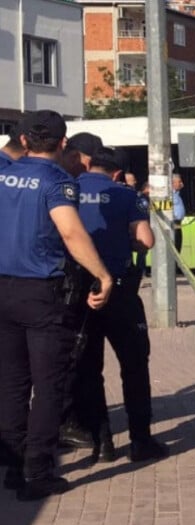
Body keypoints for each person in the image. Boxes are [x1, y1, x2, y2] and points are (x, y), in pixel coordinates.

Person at [0, 110, 113, 501]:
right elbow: (70, 231)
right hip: (41, 294)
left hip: (2, 292)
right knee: (48, 386)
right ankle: (38, 471)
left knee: (12, 384)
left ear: (25, 140)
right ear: (64, 143)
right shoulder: (57, 181)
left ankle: (13, 466)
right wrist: (103, 275)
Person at [70, 145, 168, 464]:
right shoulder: (126, 195)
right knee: (134, 365)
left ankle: (103, 443)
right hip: (120, 289)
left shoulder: (69, 189)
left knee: (89, 368)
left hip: (81, 290)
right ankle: (140, 441)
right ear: (116, 173)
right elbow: (146, 240)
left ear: (89, 166)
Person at [171, 172, 186, 252]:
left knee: (178, 247)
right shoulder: (170, 195)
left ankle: (176, 264)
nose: (181, 183)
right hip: (173, 224)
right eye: (179, 182)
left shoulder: (177, 195)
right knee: (175, 248)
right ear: (173, 182)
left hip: (178, 224)